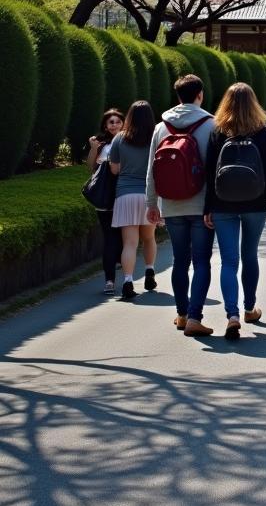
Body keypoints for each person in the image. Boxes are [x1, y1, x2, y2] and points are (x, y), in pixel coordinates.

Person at [204, 83, 266, 340]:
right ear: (254, 103)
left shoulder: (218, 131)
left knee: (229, 261)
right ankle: (250, 308)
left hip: (222, 203)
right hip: (256, 203)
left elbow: (209, 173)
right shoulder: (261, 132)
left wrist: (208, 206)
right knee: (250, 255)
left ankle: (232, 315)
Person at [146, 73, 215, 337]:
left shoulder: (160, 127)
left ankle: (181, 314)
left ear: (177, 96)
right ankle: (196, 317)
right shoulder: (211, 125)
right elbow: (213, 170)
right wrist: (214, 206)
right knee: (201, 261)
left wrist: (152, 203)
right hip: (201, 205)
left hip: (171, 204)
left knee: (180, 260)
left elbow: (151, 169)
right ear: (200, 95)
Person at [109, 101, 157, 302]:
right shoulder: (155, 138)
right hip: (149, 195)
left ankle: (128, 281)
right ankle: (149, 273)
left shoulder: (120, 138)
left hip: (125, 194)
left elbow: (114, 169)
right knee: (149, 238)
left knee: (129, 242)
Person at [87, 109, 125, 295]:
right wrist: (94, 148)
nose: (114, 125)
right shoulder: (102, 145)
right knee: (111, 237)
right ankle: (110, 280)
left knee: (121, 237)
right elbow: (91, 168)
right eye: (111, 122)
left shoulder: (128, 142)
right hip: (105, 198)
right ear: (105, 125)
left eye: (118, 122)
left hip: (122, 195)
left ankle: (121, 274)